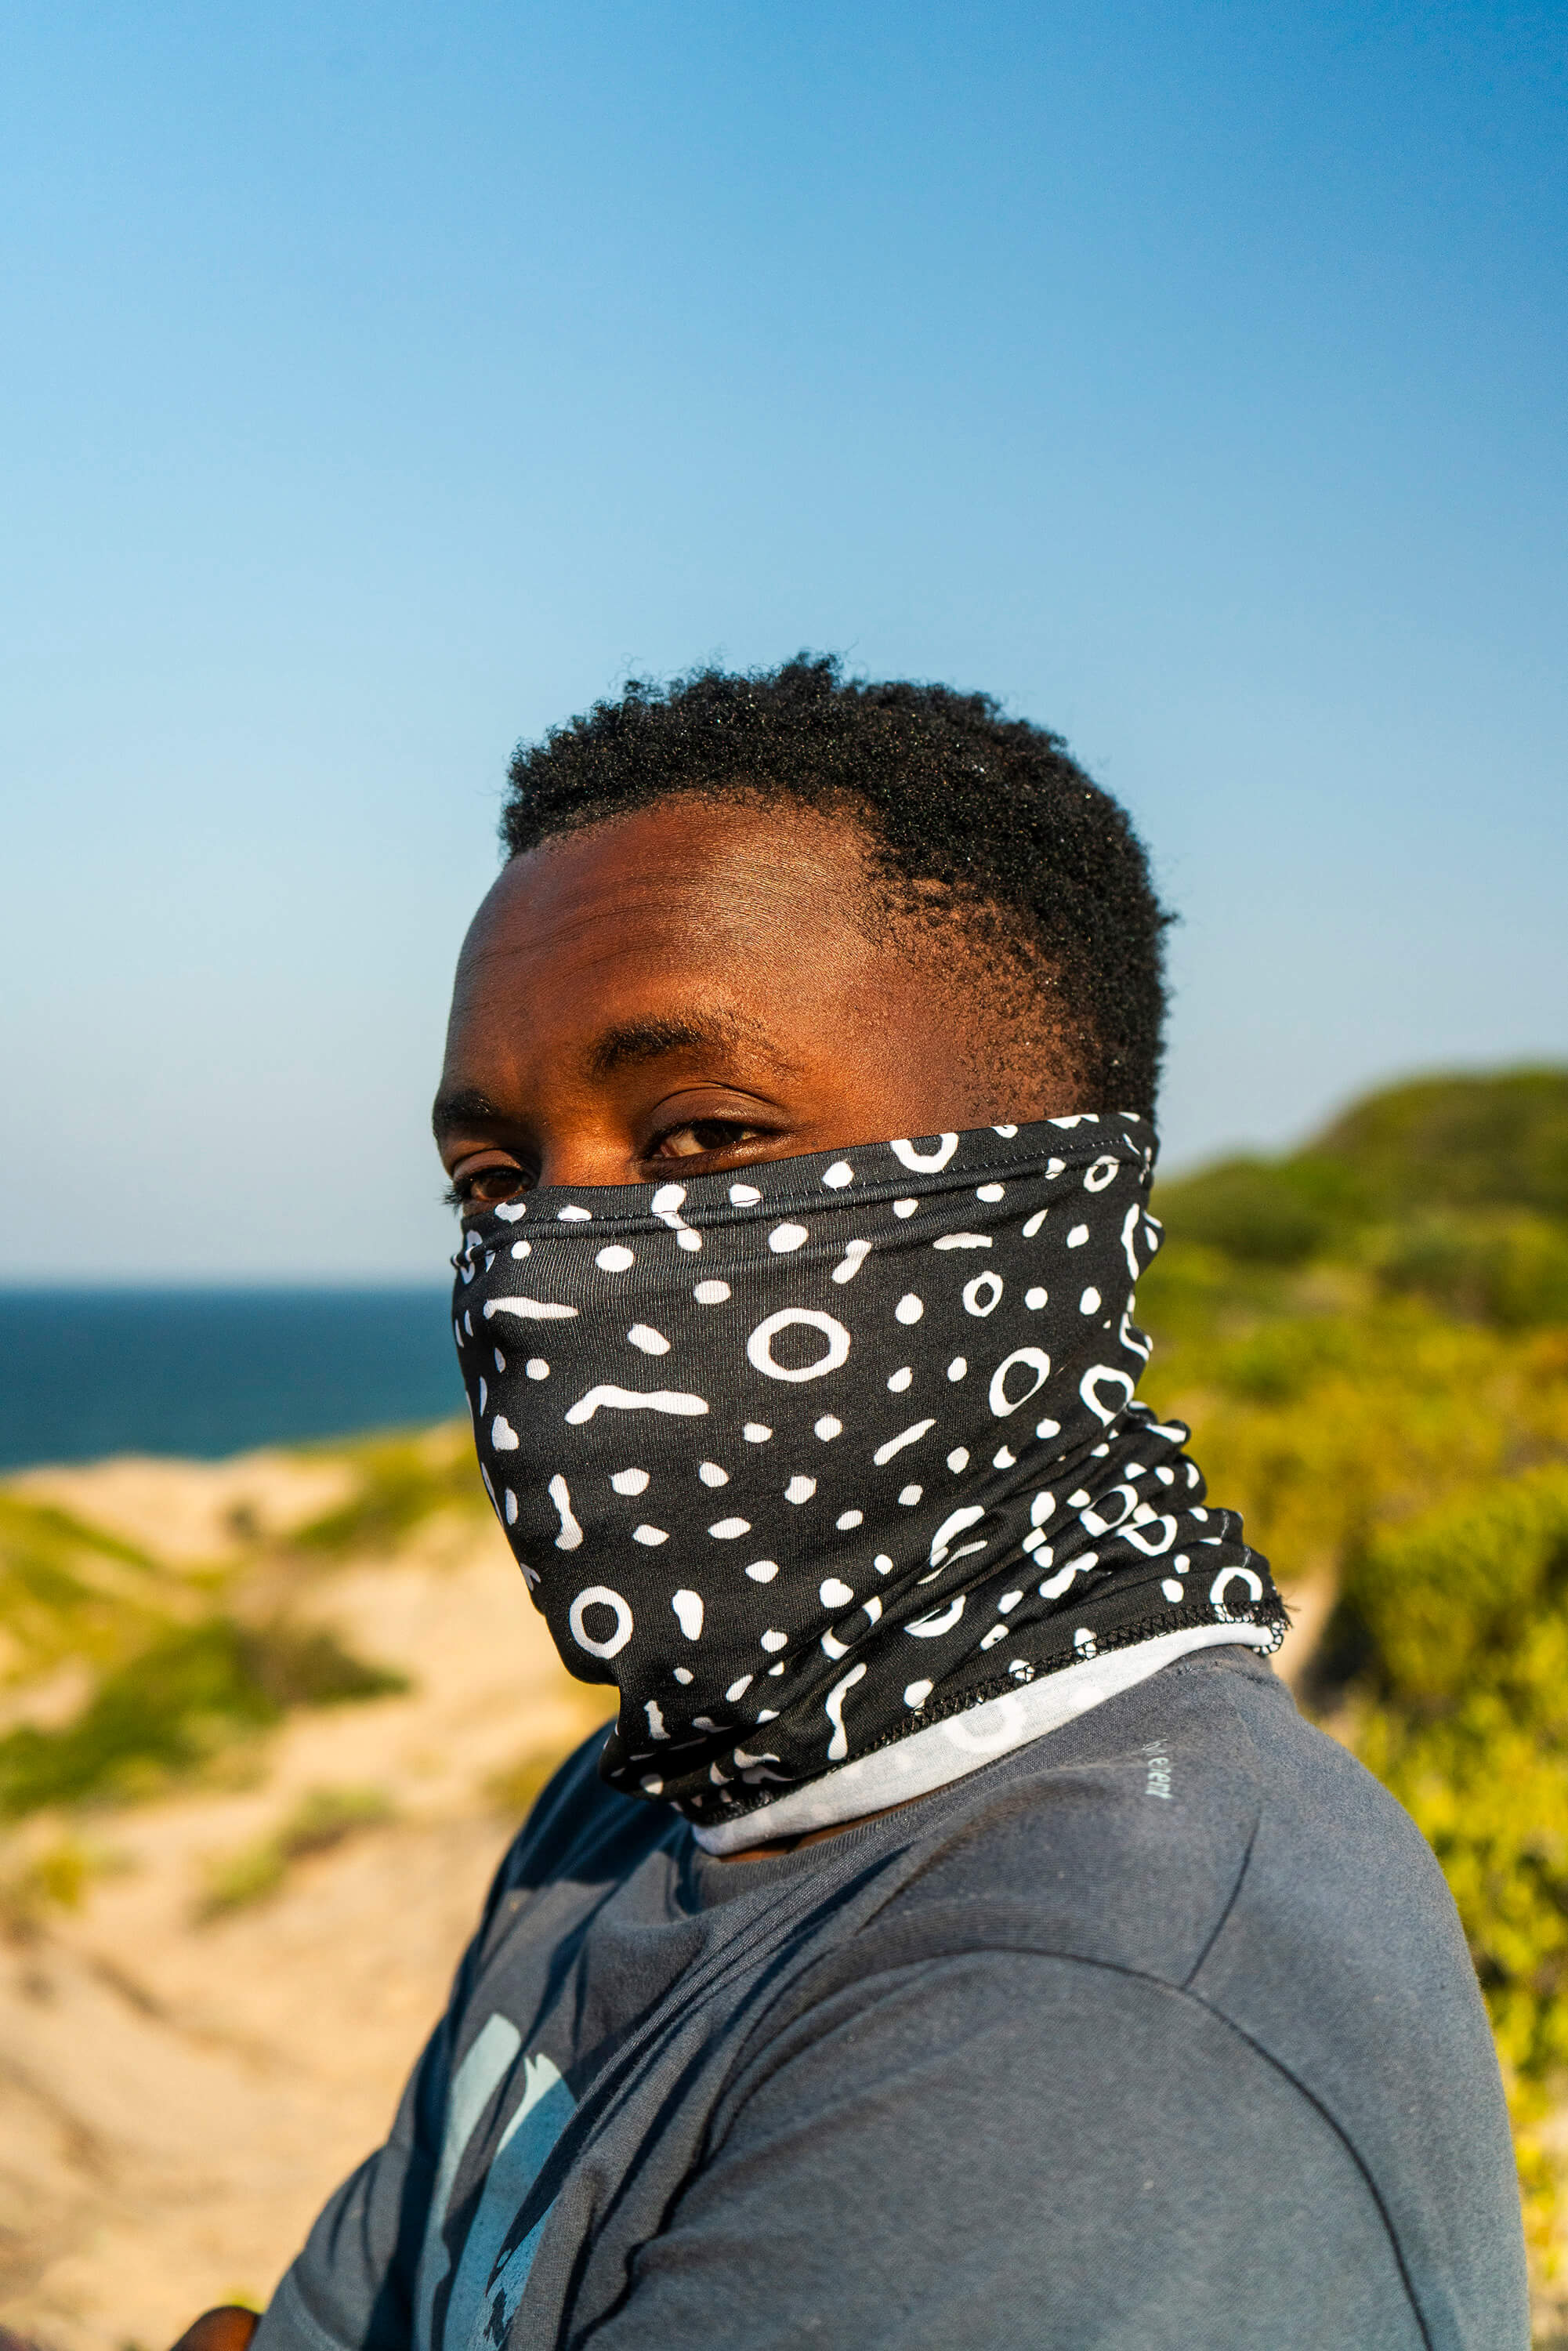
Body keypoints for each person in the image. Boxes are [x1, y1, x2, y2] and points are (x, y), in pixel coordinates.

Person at [178, 659, 1527, 2351]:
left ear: (1038, 1206)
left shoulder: (1096, 2010)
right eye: (492, 1180)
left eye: (699, 1140)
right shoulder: (645, 1799)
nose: (536, 1273)